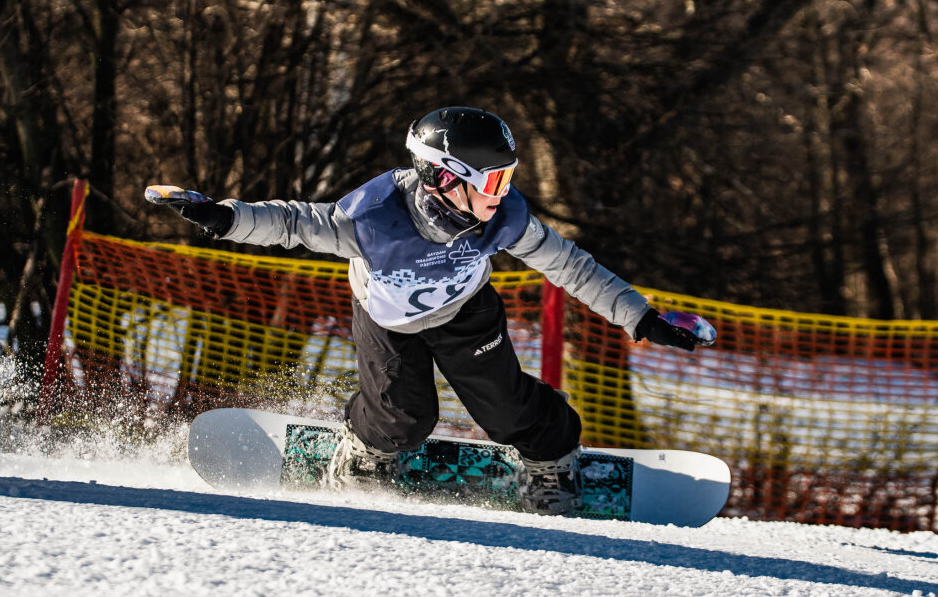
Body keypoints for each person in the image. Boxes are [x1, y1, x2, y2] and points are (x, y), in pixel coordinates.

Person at [146, 106, 708, 515]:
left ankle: (552, 460)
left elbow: (571, 266)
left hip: (467, 316)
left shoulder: (504, 219)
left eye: (508, 177)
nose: (503, 191)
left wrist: (642, 317)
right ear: (446, 178)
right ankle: (367, 447)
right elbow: (294, 222)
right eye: (493, 180)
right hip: (388, 323)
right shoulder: (371, 219)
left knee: (508, 410)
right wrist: (224, 216)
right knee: (402, 420)